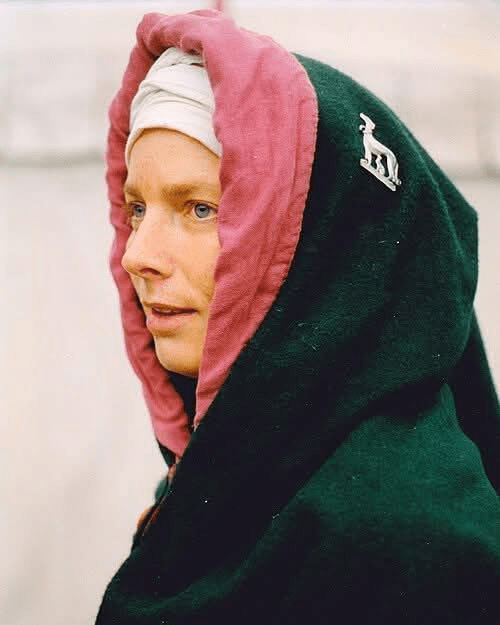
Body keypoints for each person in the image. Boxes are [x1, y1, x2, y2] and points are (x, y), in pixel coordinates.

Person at [96, 9, 500, 625]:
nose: (137, 255)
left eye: (200, 208)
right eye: (137, 210)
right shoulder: (220, 481)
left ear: (321, 244)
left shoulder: (408, 545)